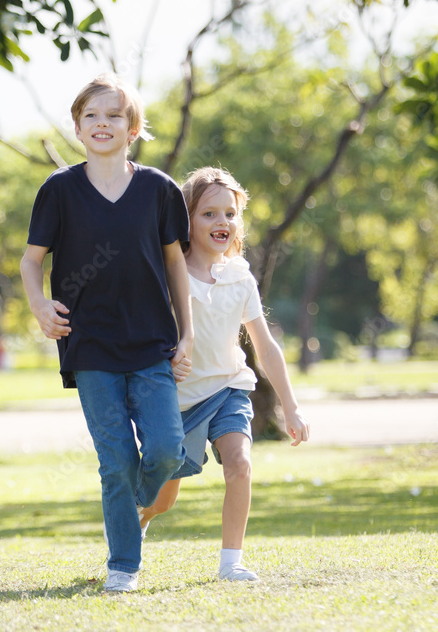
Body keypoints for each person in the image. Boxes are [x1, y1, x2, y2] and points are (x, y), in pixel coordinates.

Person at [20, 74, 193, 593]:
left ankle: (129, 503)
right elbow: (31, 263)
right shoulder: (59, 190)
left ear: (133, 127)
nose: (102, 124)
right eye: (91, 116)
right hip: (88, 342)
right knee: (115, 459)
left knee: (166, 449)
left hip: (151, 341)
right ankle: (124, 567)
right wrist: (38, 304)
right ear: (77, 127)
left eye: (114, 115)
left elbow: (176, 265)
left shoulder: (160, 190)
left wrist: (186, 334)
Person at [138, 167, 310, 582]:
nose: (222, 223)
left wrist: (292, 407)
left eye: (230, 214)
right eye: (209, 214)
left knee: (240, 464)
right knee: (163, 500)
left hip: (230, 388)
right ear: (187, 219)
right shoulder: (166, 272)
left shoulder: (240, 276)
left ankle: (231, 563)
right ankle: (136, 522)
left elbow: (265, 347)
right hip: (176, 401)